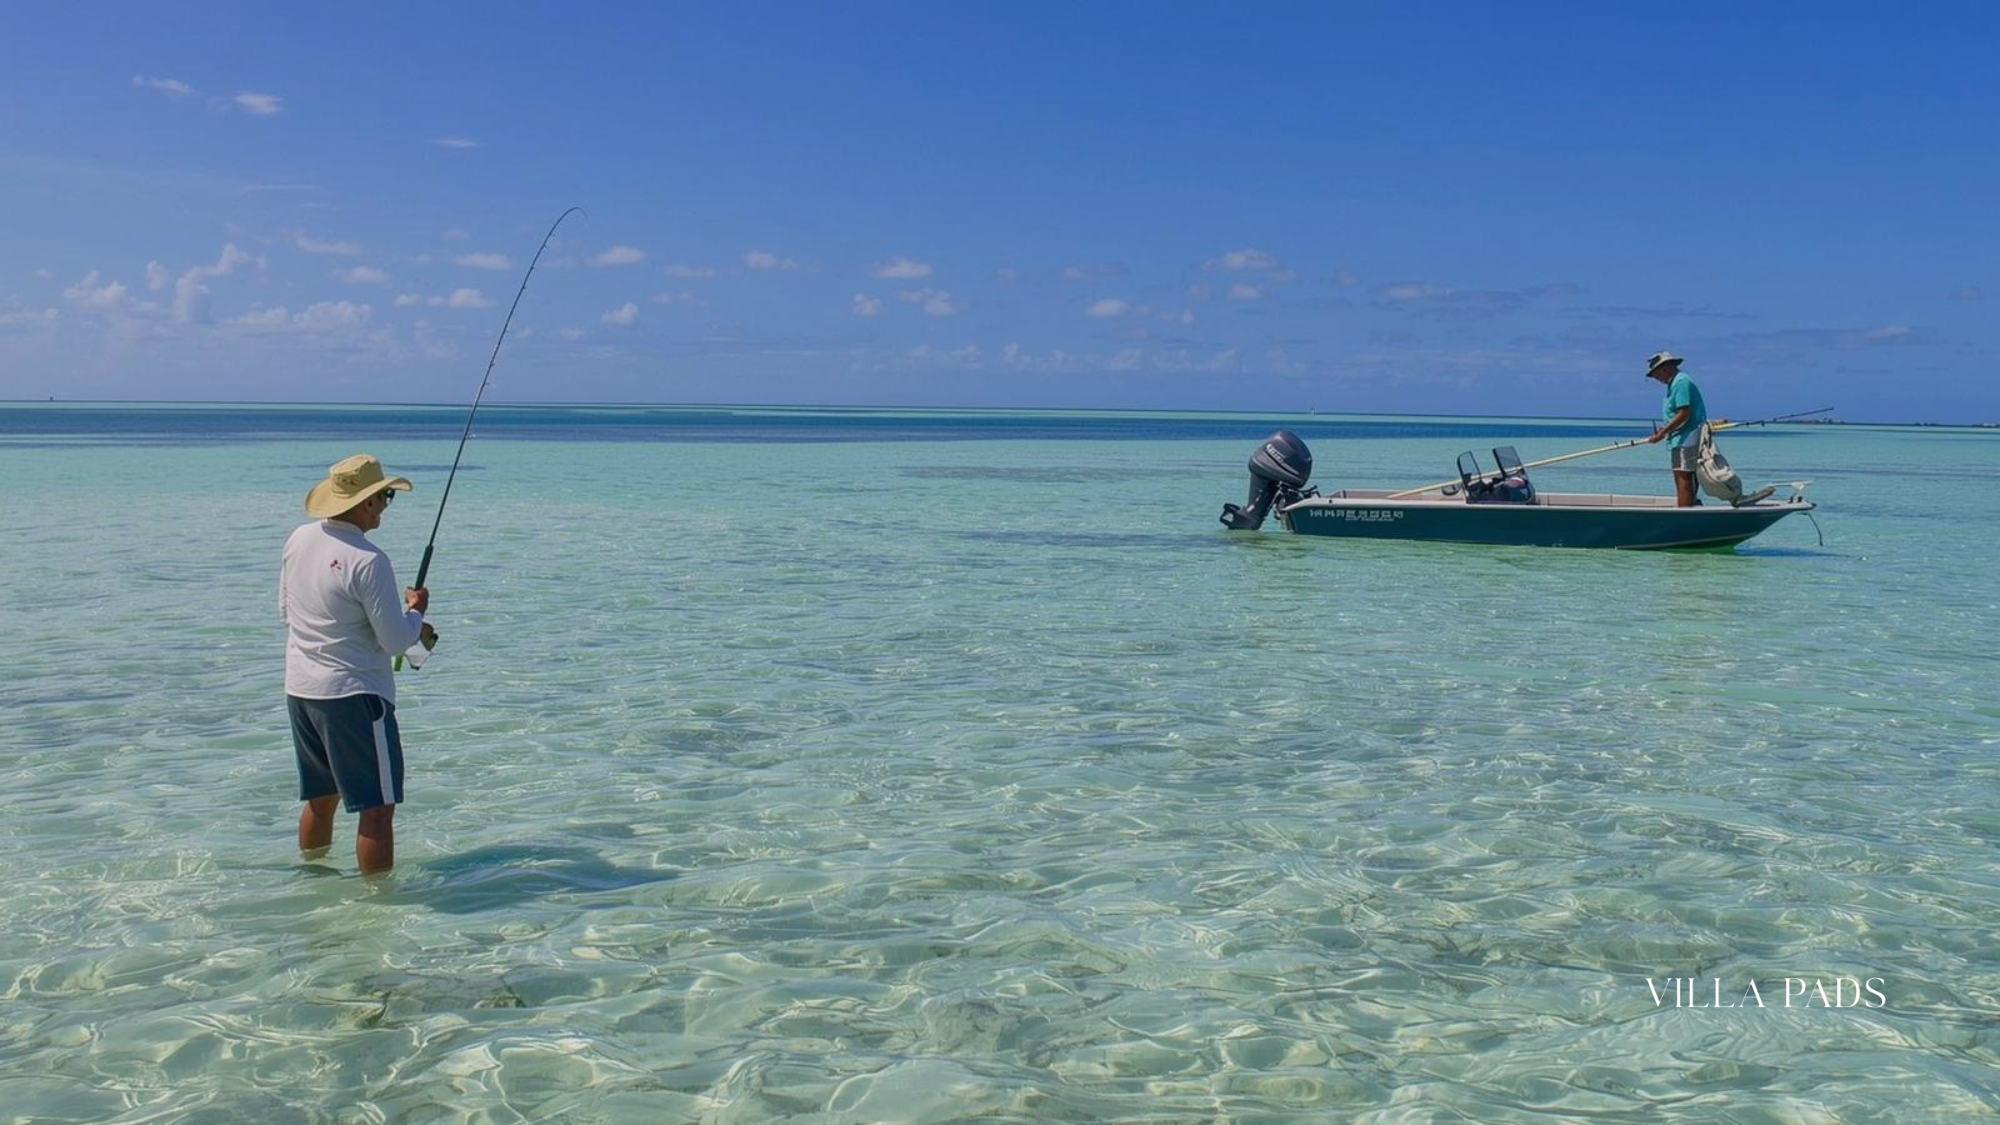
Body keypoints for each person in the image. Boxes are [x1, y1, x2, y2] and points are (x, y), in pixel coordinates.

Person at [280, 454, 433, 874]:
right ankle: (376, 909)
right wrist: (416, 612)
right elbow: (396, 641)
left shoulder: (298, 539)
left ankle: (312, 880)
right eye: (384, 496)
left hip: (301, 691)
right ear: (366, 503)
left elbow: (286, 612)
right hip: (356, 698)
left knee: (321, 799)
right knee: (377, 811)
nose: (386, 504)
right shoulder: (369, 559)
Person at [1642, 350, 1708, 507]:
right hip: (1681, 435)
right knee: (1684, 474)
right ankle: (1690, 506)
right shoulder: (1675, 382)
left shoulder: (1680, 382)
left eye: (1657, 375)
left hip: (1687, 435)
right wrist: (1664, 430)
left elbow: (1684, 413)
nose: (1657, 379)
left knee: (1682, 476)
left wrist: (1662, 433)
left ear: (1665, 368)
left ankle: (1685, 513)